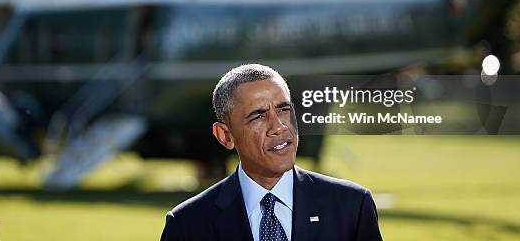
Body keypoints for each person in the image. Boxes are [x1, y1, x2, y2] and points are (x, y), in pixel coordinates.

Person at [160, 64, 383, 241]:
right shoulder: (187, 224)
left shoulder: (352, 206)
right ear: (225, 136)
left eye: (284, 110)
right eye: (258, 116)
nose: (279, 127)